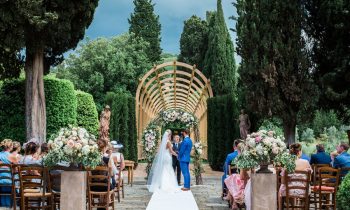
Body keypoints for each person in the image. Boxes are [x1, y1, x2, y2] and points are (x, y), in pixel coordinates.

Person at [278, 143, 312, 210]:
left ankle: (281, 208)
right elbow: (309, 179)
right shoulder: (306, 162)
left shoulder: (287, 163)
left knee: (281, 189)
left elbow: (283, 181)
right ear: (299, 152)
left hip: (289, 191)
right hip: (303, 191)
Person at [224, 143, 250, 210]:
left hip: (245, 183)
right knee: (235, 179)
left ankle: (233, 200)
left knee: (234, 179)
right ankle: (234, 202)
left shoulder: (240, 159)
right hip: (246, 182)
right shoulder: (249, 159)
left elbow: (241, 176)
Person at [0, 139, 18, 207]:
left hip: (0, 179)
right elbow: (16, 170)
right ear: (10, 147)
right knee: (17, 178)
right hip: (9, 181)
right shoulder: (12, 157)